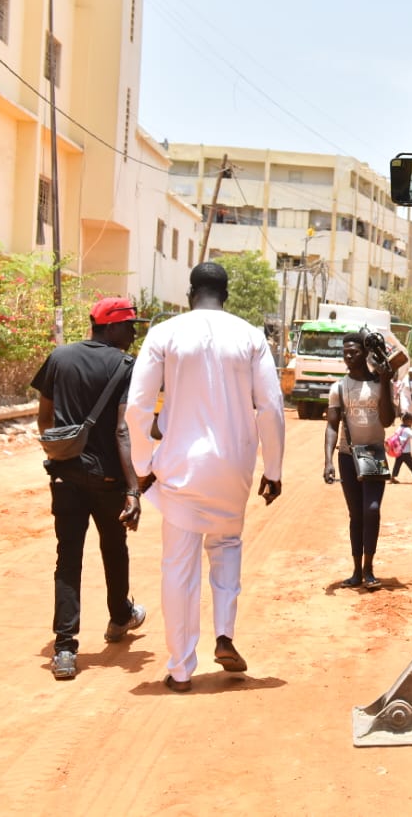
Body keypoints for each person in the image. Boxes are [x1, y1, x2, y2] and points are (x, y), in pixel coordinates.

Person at [125, 263, 285, 693]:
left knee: (178, 566)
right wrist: (273, 469)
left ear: (190, 291)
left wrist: (142, 467)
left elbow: (137, 408)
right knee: (227, 544)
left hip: (179, 467)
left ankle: (180, 669)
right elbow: (270, 407)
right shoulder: (252, 336)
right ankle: (224, 634)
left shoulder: (165, 333)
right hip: (233, 465)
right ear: (226, 292)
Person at [31, 297, 148, 680]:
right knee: (114, 548)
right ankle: (119, 619)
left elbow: (44, 418)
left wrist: (63, 454)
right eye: (130, 325)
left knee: (68, 558)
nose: (134, 333)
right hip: (108, 479)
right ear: (111, 326)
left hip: (65, 476)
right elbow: (121, 429)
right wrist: (133, 489)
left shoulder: (59, 357)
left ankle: (64, 649)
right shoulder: (125, 366)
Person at [323, 331, 396, 590]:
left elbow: (388, 420)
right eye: (345, 352)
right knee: (356, 515)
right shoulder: (338, 388)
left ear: (365, 353)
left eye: (353, 352)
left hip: (374, 453)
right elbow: (332, 426)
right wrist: (328, 461)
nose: (348, 356)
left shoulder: (378, 383)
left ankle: (369, 568)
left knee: (372, 510)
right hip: (347, 456)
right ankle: (356, 572)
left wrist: (386, 382)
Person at [389, 413, 412, 484]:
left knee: (397, 465)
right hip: (406, 452)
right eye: (411, 422)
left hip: (398, 451)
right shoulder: (407, 430)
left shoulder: (399, 428)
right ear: (408, 421)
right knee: (411, 465)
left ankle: (392, 478)